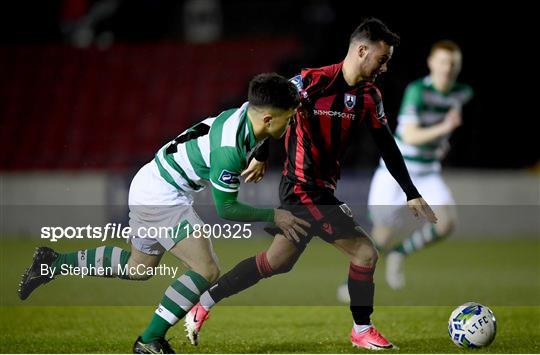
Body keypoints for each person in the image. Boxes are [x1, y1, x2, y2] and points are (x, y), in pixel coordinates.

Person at [184, 18, 437, 350]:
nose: (386, 66)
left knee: (276, 262)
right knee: (365, 253)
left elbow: (387, 144)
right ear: (362, 50)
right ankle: (362, 329)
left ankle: (203, 304)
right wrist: (261, 152)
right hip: (301, 188)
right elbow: (266, 110)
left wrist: (411, 192)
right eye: (382, 58)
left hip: (320, 189)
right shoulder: (310, 81)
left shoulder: (369, 96)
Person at [17, 73, 309, 354]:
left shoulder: (249, 111)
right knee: (206, 269)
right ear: (269, 118)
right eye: (289, 116)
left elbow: (266, 122)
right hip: (161, 195)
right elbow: (227, 209)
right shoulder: (228, 151)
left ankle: (53, 263)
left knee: (138, 268)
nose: (293, 119)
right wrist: (275, 216)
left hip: (151, 180)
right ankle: (149, 340)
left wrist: (260, 153)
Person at [336, 40, 473, 297]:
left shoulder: (462, 92)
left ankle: (400, 253)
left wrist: (440, 143)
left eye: (453, 63)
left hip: (429, 172)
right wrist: (444, 130)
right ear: (432, 64)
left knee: (446, 224)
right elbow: (409, 135)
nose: (447, 68)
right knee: (382, 235)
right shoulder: (418, 91)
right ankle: (352, 283)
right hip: (398, 172)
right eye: (443, 62)